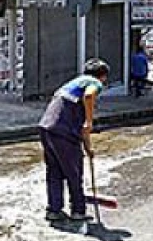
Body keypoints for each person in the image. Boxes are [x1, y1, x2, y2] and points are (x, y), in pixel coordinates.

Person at [38, 58, 110, 222]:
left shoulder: (73, 84)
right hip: (64, 132)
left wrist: (88, 148)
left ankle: (54, 210)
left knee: (54, 171)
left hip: (47, 128)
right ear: (103, 76)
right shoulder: (94, 83)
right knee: (74, 172)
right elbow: (90, 96)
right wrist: (90, 121)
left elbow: (82, 130)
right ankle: (78, 211)